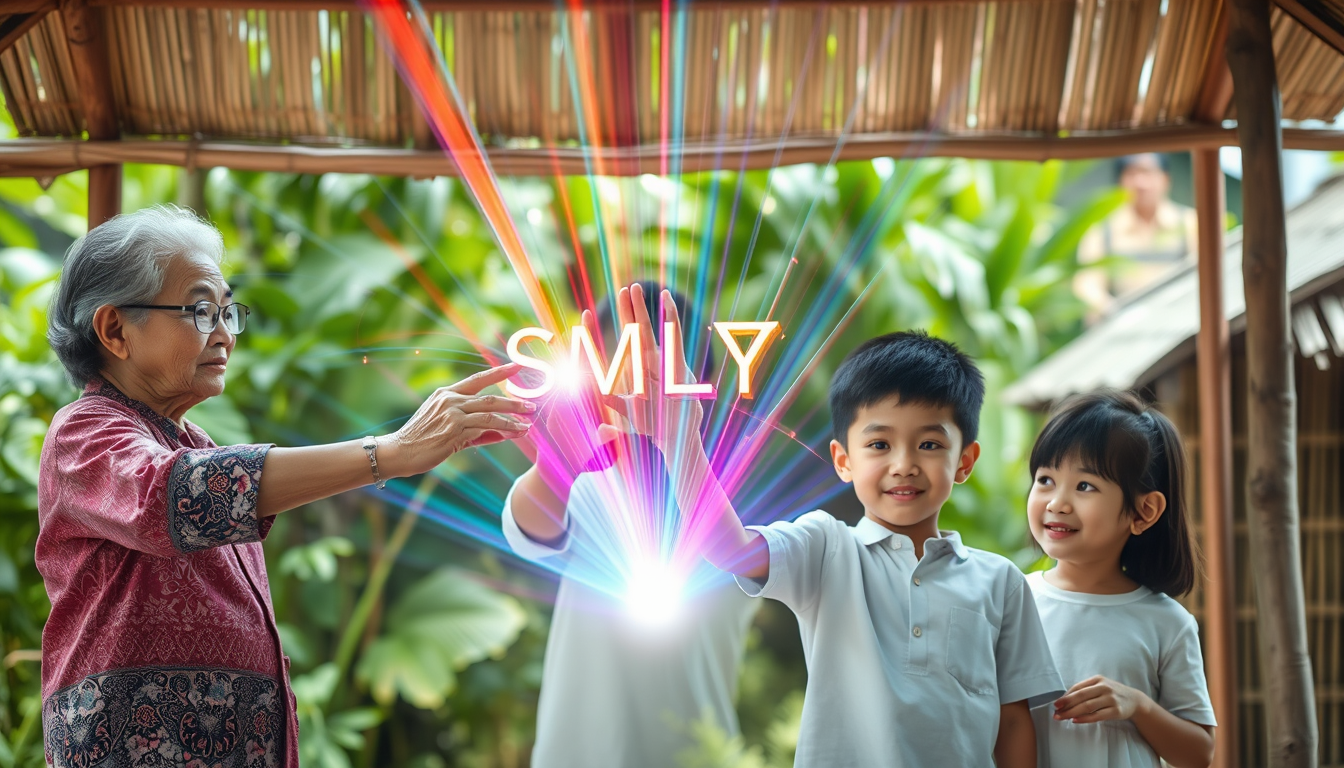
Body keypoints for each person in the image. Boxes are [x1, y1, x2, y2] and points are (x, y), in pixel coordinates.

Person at [36, 205, 533, 768]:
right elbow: (171, 498)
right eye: (201, 310)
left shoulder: (195, 443)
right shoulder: (84, 432)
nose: (224, 333)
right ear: (115, 330)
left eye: (228, 311)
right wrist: (391, 453)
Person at [607, 287, 1064, 767]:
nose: (904, 464)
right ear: (843, 461)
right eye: (879, 445)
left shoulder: (1001, 581)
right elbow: (731, 550)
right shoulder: (826, 548)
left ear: (965, 460)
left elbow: (1013, 722)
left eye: (929, 445)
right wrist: (681, 442)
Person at [502, 282, 757, 768]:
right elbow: (527, 526)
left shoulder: (730, 502)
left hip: (696, 755)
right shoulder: (586, 486)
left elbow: (747, 558)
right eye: (620, 369)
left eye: (657, 371)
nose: (636, 391)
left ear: (697, 382)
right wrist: (559, 463)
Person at [1024, 390, 1216, 768]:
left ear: (1144, 511)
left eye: (1084, 486)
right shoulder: (1011, 599)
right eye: (1046, 479)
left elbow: (1198, 753)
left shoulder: (1167, 623)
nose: (1056, 503)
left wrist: (1138, 706)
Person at [1076, 153, 1199, 321]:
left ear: (1165, 179)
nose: (1140, 183)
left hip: (1181, 325)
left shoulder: (1190, 224)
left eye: (1147, 172)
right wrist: (1108, 310)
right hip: (1124, 329)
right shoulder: (1102, 231)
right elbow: (1087, 284)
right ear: (1120, 182)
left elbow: (1208, 278)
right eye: (1131, 174)